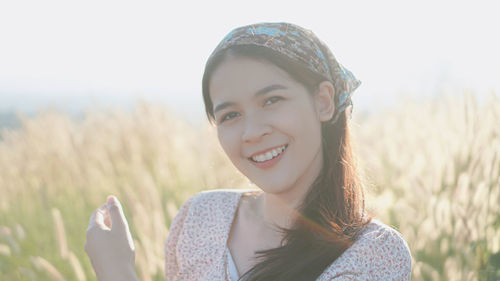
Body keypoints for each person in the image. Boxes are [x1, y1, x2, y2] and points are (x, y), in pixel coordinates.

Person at [85, 22, 412, 281]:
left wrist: (117, 273)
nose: (252, 132)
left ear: (323, 101)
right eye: (230, 115)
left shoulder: (376, 255)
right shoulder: (199, 217)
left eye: (272, 101)